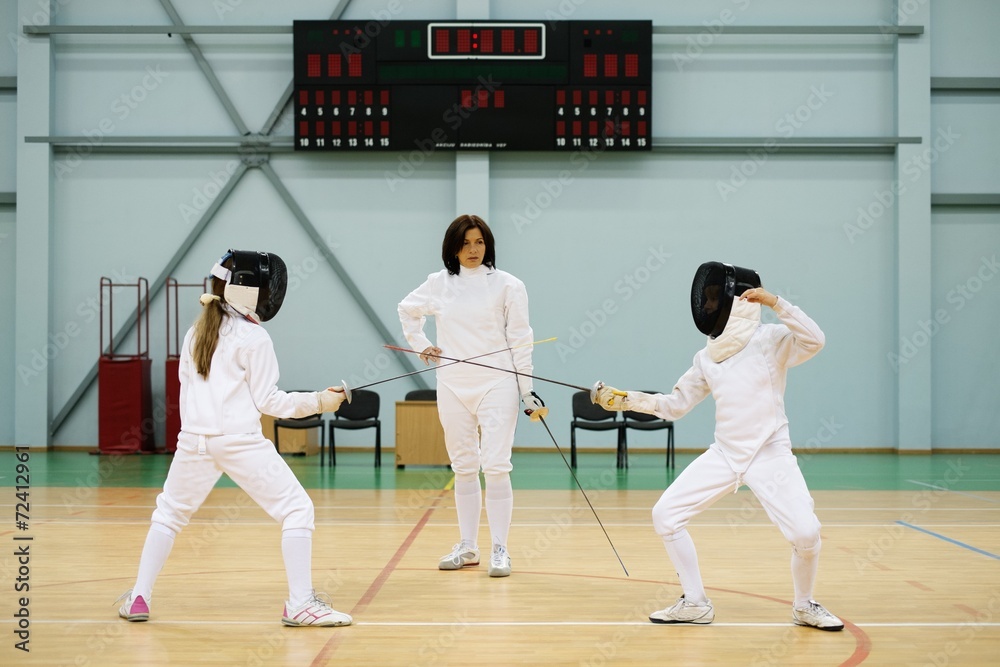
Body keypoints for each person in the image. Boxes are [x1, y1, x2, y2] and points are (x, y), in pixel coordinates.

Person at [592, 261, 843, 631]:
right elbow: (674, 404)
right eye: (706, 298)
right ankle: (695, 602)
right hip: (726, 454)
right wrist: (626, 400)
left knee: (806, 534)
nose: (708, 305)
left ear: (738, 299)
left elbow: (815, 340)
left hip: (769, 453)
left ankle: (804, 605)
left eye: (714, 297)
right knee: (665, 516)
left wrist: (777, 303)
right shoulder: (706, 357)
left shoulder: (770, 341)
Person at [117, 249, 352, 627]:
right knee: (297, 511)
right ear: (246, 290)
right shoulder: (255, 338)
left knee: (169, 515)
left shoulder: (197, 330)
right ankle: (300, 603)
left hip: (193, 440)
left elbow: (186, 389)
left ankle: (139, 598)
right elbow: (270, 402)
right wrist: (322, 402)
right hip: (238, 442)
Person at [398, 214, 547, 578]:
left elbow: (521, 339)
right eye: (465, 243)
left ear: (488, 244)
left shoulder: (508, 285)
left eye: (479, 242)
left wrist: (526, 390)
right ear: (453, 247)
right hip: (451, 383)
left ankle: (500, 548)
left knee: (495, 465)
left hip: (498, 384)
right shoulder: (439, 283)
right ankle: (468, 546)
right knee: (463, 466)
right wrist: (423, 346)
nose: (473, 250)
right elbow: (407, 310)